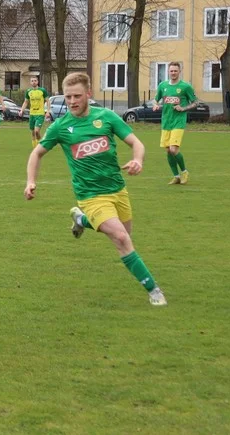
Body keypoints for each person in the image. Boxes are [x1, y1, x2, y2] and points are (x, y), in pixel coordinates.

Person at [25, 72, 166, 306]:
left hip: (117, 189)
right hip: (90, 195)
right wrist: (31, 181)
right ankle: (154, 290)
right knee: (121, 238)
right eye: (68, 97)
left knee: (125, 234)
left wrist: (138, 160)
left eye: (77, 96)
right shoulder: (60, 127)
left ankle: (82, 220)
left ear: (88, 94)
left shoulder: (107, 117)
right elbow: (36, 153)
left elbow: (136, 143)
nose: (72, 102)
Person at [152, 61, 198, 184]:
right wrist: (155, 105)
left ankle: (184, 172)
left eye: (175, 71)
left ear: (179, 72)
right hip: (166, 122)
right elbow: (155, 100)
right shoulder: (163, 85)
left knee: (173, 149)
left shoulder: (185, 87)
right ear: (168, 71)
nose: (173, 73)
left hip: (178, 121)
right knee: (168, 150)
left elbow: (195, 102)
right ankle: (176, 176)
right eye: (171, 71)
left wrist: (183, 108)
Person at [20, 75, 51, 146]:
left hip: (40, 114)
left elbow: (48, 101)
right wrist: (22, 110)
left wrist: (48, 112)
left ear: (38, 82)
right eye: (32, 81)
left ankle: (39, 145)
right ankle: (35, 146)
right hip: (32, 114)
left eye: (35, 81)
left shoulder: (42, 90)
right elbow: (26, 102)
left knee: (37, 131)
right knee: (33, 132)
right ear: (30, 82)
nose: (34, 82)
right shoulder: (28, 91)